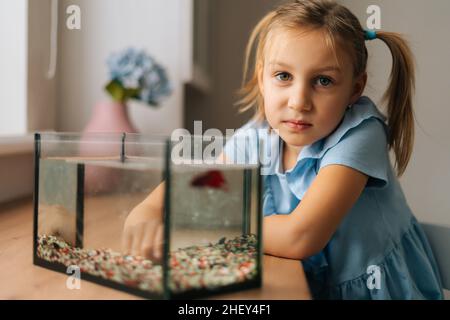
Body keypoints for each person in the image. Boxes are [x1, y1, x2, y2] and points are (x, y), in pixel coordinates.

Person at [123, 0, 443, 299]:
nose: (299, 101)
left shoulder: (360, 135)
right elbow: (196, 188)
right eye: (283, 76)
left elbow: (300, 236)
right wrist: (148, 212)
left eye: (323, 81)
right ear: (262, 79)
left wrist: (208, 222)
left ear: (354, 89)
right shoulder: (259, 135)